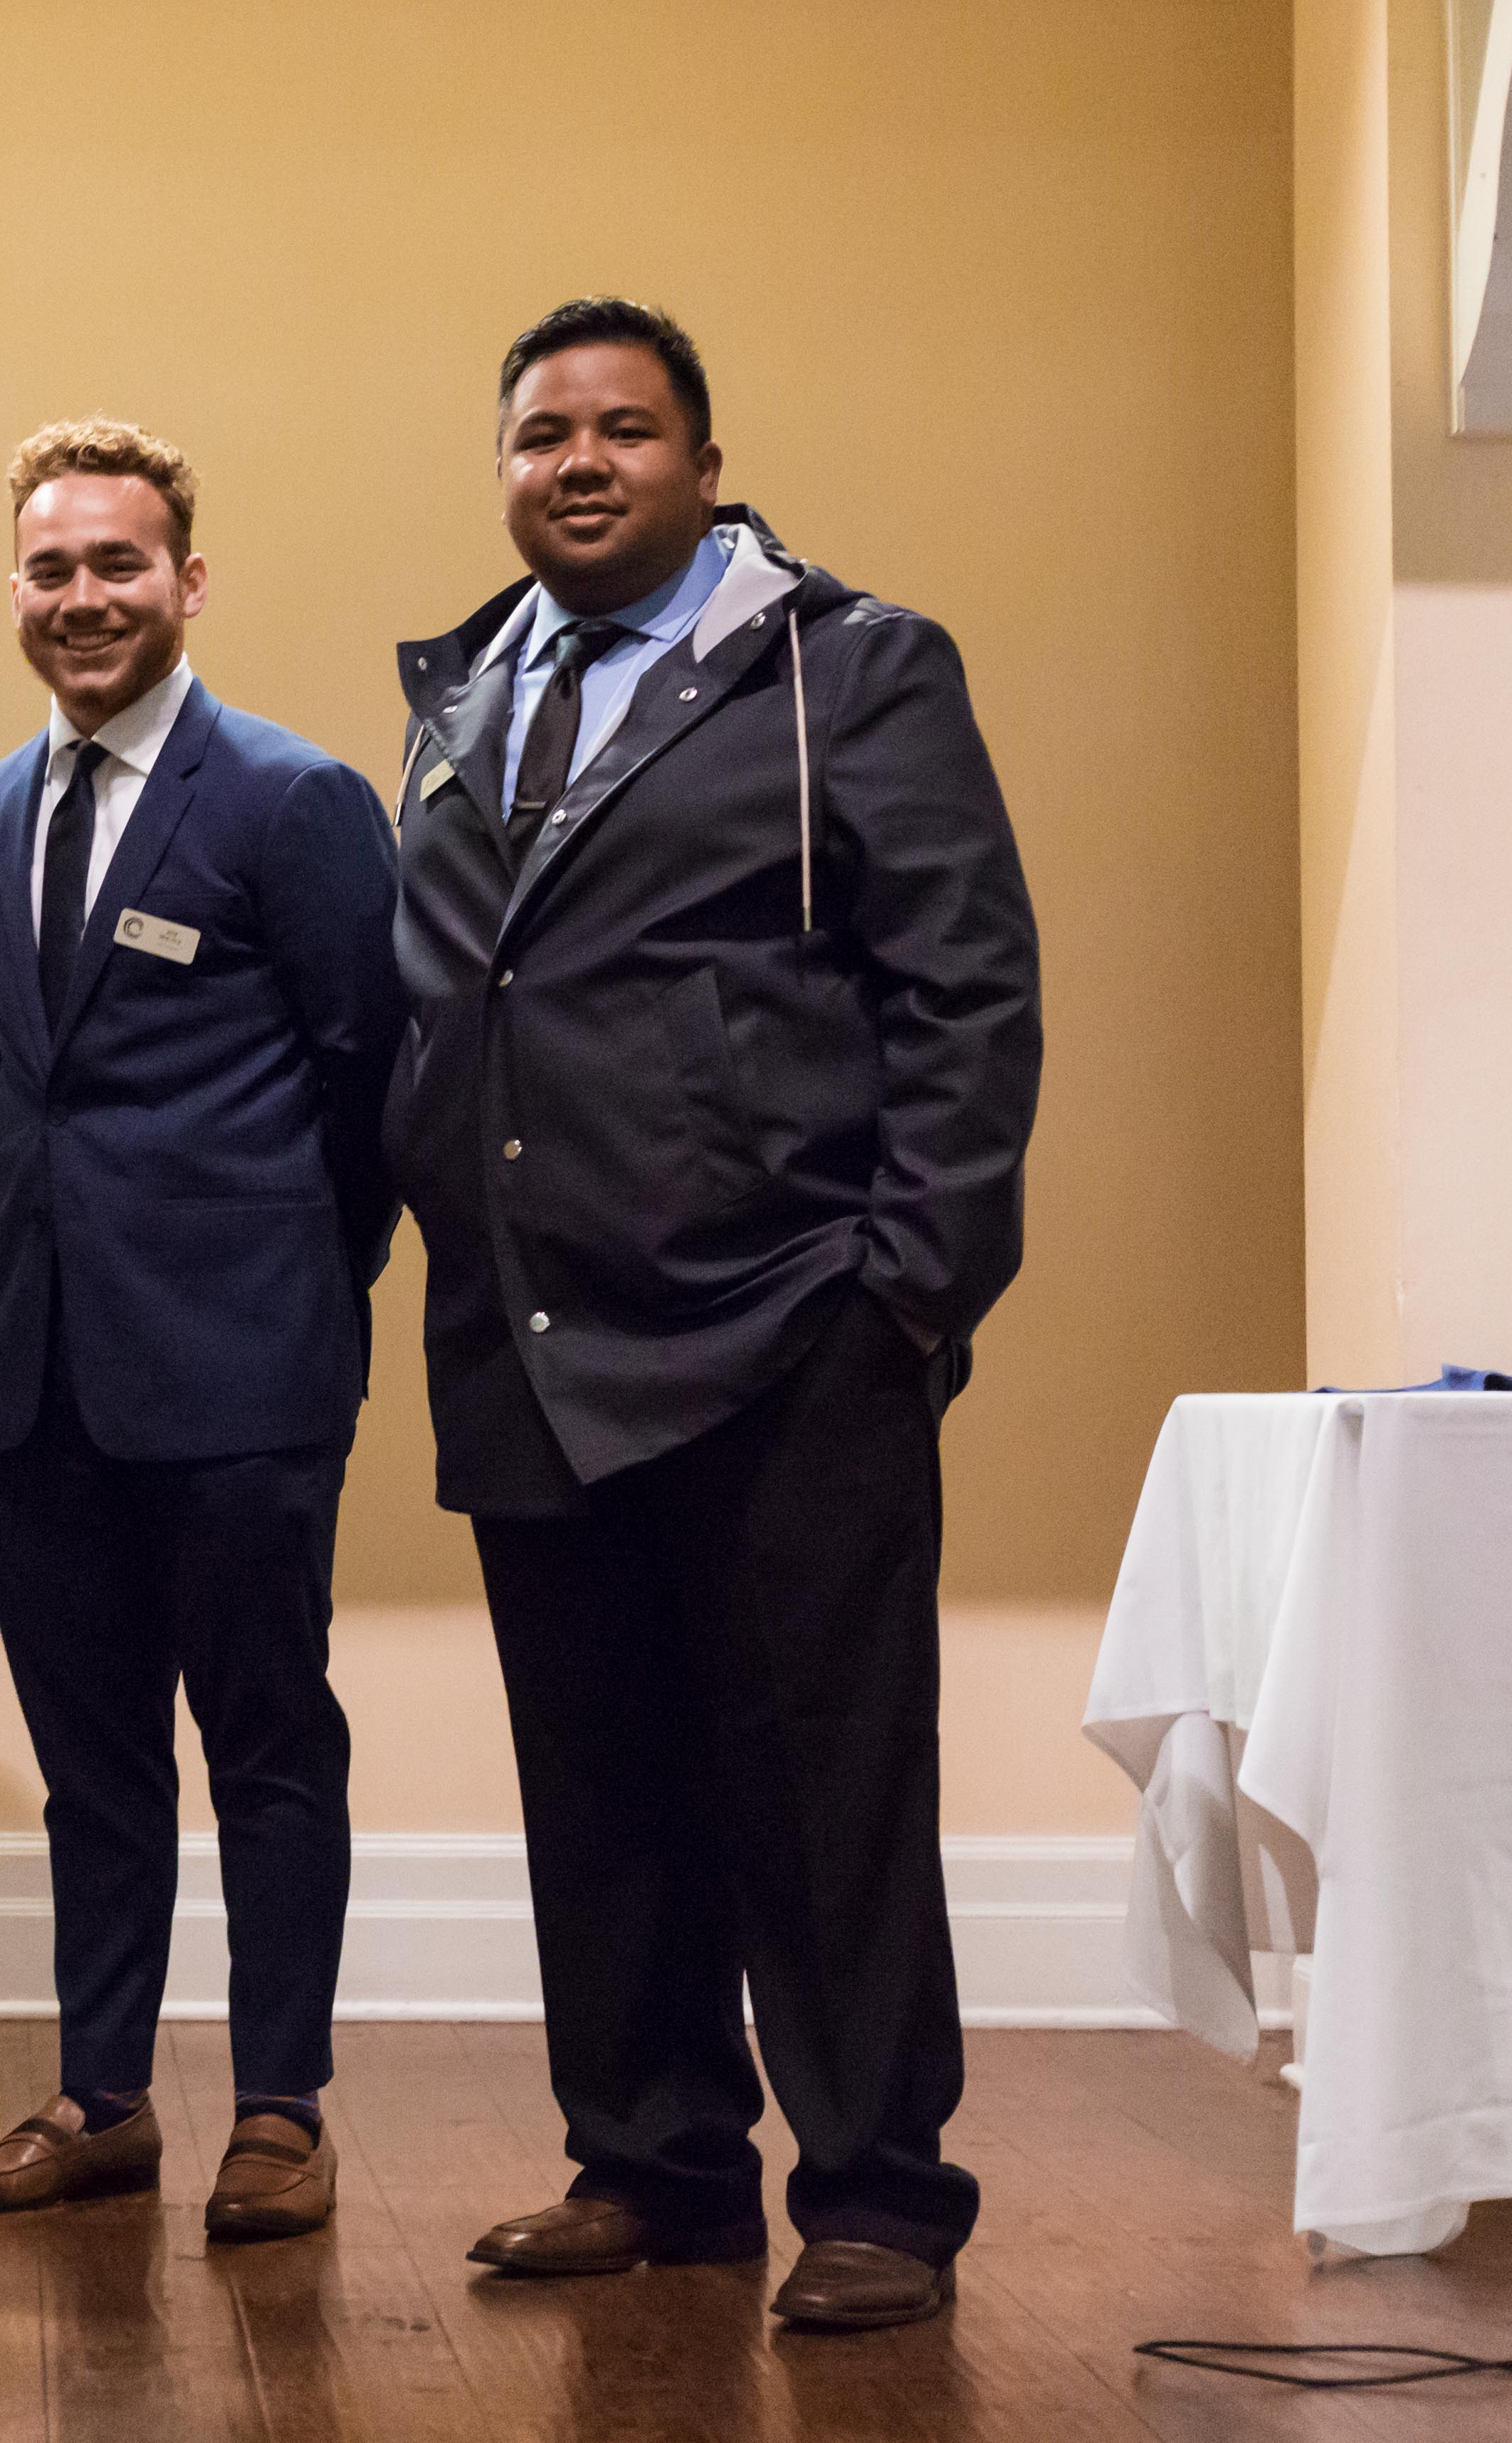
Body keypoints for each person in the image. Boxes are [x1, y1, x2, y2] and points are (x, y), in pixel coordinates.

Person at [389, 298, 1041, 2331]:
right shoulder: (462, 695)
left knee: (822, 1787)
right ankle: (652, 2165)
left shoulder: (848, 667)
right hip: (526, 1335)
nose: (575, 462)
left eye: (621, 429)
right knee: (597, 1786)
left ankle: (876, 2194)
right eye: (539, 434)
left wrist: (903, 1291)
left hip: (786, 1329)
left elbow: (968, 986)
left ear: (700, 461)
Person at [0, 422, 401, 2243]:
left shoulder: (291, 798)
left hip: (242, 1371)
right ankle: (100, 2096)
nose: (82, 597)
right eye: (49, 567)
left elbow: (371, 1083)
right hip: (35, 1369)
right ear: (15, 589)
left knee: (268, 1744)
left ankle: (278, 2106)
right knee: (91, 1765)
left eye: (117, 563)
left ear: (185, 580)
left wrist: (287, 1286)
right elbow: (0, 1059)